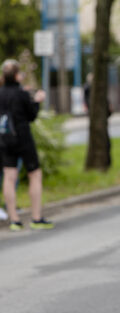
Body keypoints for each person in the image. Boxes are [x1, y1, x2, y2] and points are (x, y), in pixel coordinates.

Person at [0, 59, 54, 231]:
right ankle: (36, 218)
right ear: (17, 76)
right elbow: (32, 115)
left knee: (9, 176)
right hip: (23, 138)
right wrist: (37, 101)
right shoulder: (21, 94)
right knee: (35, 174)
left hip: (5, 139)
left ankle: (14, 220)